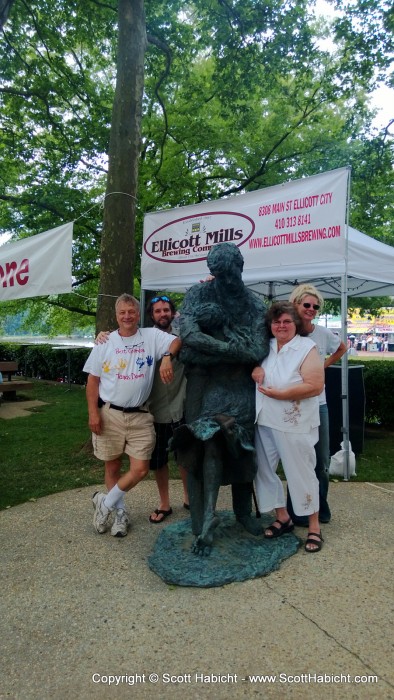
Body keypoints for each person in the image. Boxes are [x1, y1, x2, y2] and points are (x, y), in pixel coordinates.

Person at [172, 242, 270, 556]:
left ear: (241, 267)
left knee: (243, 446)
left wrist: (210, 346)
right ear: (212, 273)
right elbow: (187, 339)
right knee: (205, 444)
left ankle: (243, 513)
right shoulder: (199, 294)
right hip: (206, 386)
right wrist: (229, 351)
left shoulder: (255, 305)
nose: (227, 280)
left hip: (241, 387)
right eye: (219, 274)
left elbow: (257, 351)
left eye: (231, 273)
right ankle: (202, 518)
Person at [84, 293, 181, 537]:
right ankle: (119, 514)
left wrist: (167, 358)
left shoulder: (151, 336)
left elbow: (177, 341)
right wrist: (93, 413)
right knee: (113, 464)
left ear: (138, 314)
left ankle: (104, 503)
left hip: (140, 415)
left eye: (131, 311)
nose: (127, 316)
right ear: (116, 316)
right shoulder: (105, 342)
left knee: (139, 469)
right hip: (110, 413)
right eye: (122, 312)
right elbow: (92, 381)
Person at [253, 302, 325, 553]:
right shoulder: (268, 346)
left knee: (301, 473)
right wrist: (257, 368)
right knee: (262, 470)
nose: (281, 326)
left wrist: (282, 394)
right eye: (276, 322)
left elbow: (315, 385)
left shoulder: (306, 347)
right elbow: (259, 368)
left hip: (293, 422)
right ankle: (283, 516)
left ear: (296, 324)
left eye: (286, 321)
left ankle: (314, 526)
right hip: (264, 419)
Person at [287, 284, 346, 525]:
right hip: (291, 405)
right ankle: (297, 510)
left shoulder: (322, 333)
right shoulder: (286, 330)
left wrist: (324, 365)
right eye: (306, 305)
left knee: (321, 461)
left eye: (315, 306)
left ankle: (320, 506)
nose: (311, 309)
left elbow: (342, 347)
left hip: (318, 405)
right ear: (296, 305)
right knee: (296, 460)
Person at [146, 295, 189, 523]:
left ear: (173, 312)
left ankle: (188, 497)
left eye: (166, 310)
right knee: (159, 460)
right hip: (156, 410)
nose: (163, 314)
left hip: (180, 407)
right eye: (158, 311)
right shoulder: (145, 339)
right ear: (151, 315)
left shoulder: (183, 336)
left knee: (184, 455)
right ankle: (164, 503)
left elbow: (181, 342)